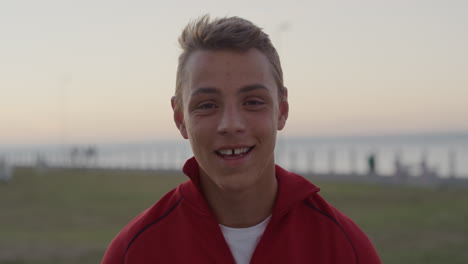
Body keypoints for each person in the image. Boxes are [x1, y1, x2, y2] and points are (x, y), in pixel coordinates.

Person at [102, 15, 381, 264]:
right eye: (207, 105)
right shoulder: (135, 252)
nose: (230, 125)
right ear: (180, 118)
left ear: (281, 110)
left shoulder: (344, 248)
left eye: (253, 102)